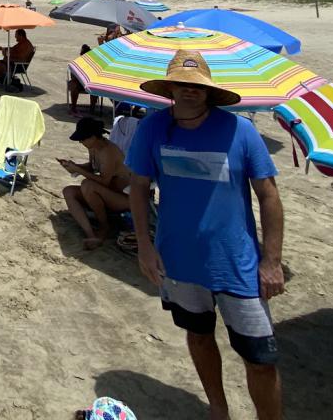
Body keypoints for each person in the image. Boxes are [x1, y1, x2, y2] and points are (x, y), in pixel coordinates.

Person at [125, 51, 284, 420]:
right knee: (198, 336)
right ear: (170, 88)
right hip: (179, 261)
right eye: (182, 83)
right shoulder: (153, 129)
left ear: (208, 90)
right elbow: (138, 188)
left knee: (260, 358)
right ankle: (218, 408)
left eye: (196, 85)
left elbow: (269, 195)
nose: (189, 90)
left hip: (237, 264)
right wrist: (145, 248)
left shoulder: (239, 130)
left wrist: (272, 260)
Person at [59, 117, 132, 249]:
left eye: (83, 139)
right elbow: (93, 168)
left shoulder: (109, 151)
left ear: (93, 137)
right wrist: (74, 166)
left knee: (87, 185)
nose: (81, 142)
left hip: (123, 198)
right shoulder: (93, 147)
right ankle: (90, 233)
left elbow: (104, 181)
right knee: (68, 191)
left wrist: (78, 170)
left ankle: (104, 227)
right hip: (108, 193)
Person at [68, 43, 100, 115]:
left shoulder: (94, 64)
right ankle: (73, 107)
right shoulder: (77, 63)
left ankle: (92, 109)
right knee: (74, 85)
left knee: (94, 86)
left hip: (90, 83)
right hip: (79, 83)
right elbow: (73, 76)